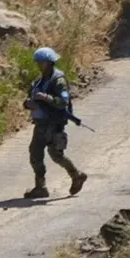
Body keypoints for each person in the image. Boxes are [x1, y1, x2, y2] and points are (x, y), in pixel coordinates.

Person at [23, 47, 87, 199]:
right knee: (36, 153)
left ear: (50, 62)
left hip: (52, 123)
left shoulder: (58, 80)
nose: (39, 65)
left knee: (55, 155)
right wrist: (27, 104)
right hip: (40, 122)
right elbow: (30, 98)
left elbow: (63, 102)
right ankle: (41, 186)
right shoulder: (39, 80)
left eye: (42, 62)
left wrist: (46, 98)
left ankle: (75, 176)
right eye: (37, 62)